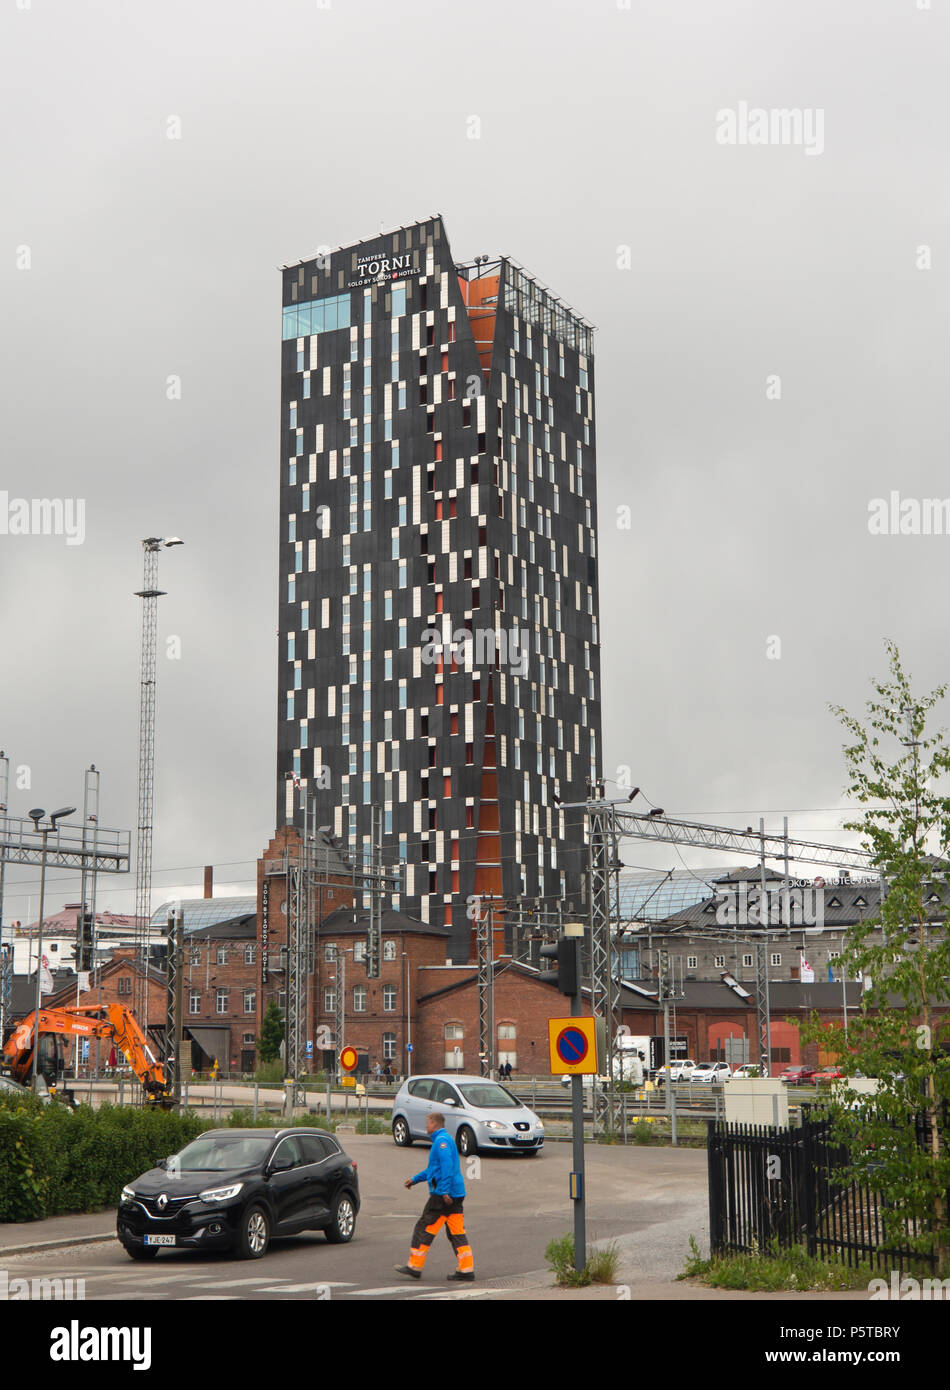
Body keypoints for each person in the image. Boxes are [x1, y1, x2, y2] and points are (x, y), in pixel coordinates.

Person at [394, 1112, 474, 1282]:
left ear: (434, 1123)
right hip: (456, 1194)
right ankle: (466, 1269)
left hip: (443, 1195)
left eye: (427, 1123)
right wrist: (415, 1179)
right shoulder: (443, 1140)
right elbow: (433, 1170)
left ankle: (415, 1266)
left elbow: (447, 1167)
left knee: (423, 1228)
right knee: (456, 1231)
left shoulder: (441, 1142)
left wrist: (444, 1191)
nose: (426, 1126)